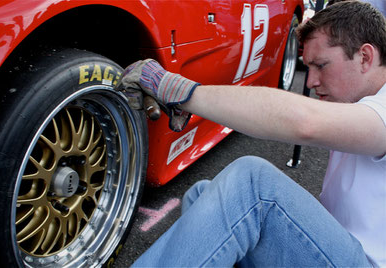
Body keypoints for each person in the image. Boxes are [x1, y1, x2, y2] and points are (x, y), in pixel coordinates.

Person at [118, 1, 386, 267]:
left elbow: (305, 122)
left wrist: (178, 90)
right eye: (309, 67)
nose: (311, 81)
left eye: (322, 65)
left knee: (253, 186)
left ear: (365, 57)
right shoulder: (356, 105)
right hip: (340, 249)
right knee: (203, 195)